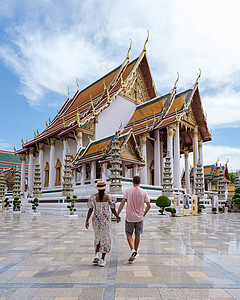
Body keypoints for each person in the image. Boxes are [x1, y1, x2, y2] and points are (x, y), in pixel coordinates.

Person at [85, 180, 121, 267]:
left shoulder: (93, 197)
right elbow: (112, 209)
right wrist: (117, 216)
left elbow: (90, 209)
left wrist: (87, 220)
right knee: (105, 238)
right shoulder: (109, 197)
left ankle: (96, 254)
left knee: (97, 237)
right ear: (104, 189)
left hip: (96, 220)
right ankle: (102, 259)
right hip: (105, 221)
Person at [117, 175, 151, 262]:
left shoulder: (127, 191)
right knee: (138, 234)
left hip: (130, 217)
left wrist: (117, 214)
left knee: (129, 234)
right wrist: (144, 214)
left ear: (132, 182)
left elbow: (122, 202)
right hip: (139, 217)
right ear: (140, 182)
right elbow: (149, 205)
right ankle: (135, 251)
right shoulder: (144, 192)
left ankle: (132, 250)